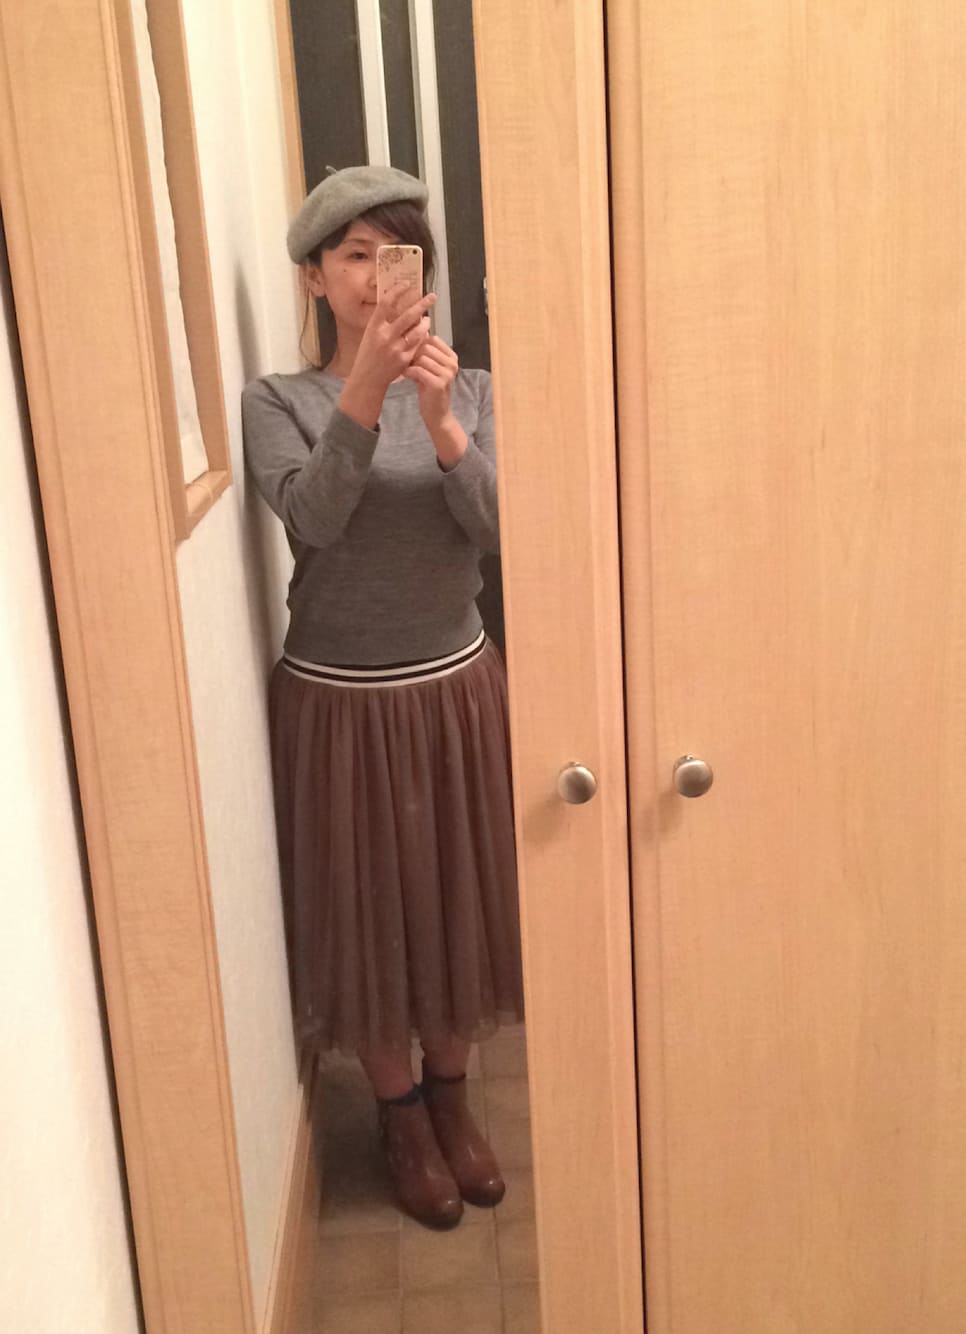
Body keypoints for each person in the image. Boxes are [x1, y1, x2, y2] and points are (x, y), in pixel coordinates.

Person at [241, 165, 524, 1230]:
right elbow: (313, 520)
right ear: (314, 278)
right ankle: (398, 1115)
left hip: (454, 690)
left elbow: (499, 532)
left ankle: (451, 1097)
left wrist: (442, 419)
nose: (373, 275)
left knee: (455, 897)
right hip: (338, 705)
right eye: (351, 255)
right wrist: (364, 389)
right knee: (366, 905)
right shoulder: (278, 401)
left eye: (394, 253)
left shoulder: (473, 387)